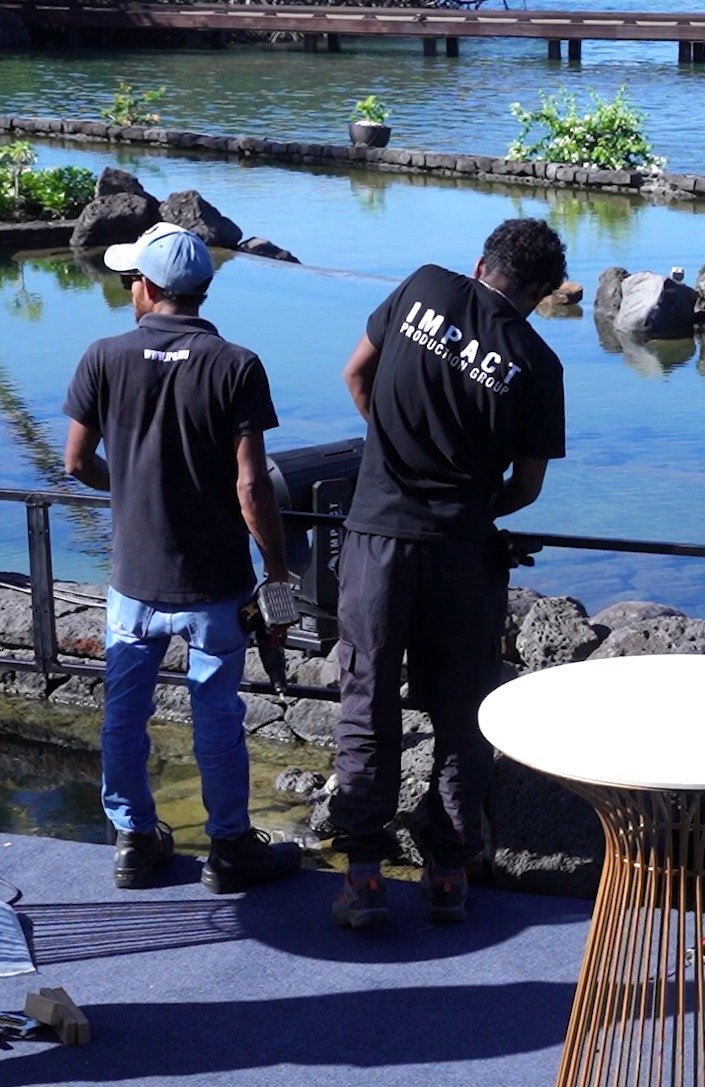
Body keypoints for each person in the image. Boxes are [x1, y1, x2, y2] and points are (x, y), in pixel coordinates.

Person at [329, 218, 567, 928]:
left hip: (377, 536)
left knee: (366, 702)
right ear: (541, 294)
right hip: (462, 550)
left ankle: (365, 879)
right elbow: (525, 488)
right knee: (462, 714)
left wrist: (391, 457)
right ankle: (448, 875)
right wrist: (467, 503)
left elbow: (355, 373)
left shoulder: (423, 285)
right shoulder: (538, 362)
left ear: (481, 263)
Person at [62, 221, 304, 894]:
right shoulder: (237, 364)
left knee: (124, 712)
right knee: (217, 716)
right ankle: (230, 846)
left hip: (132, 581)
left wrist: (134, 487)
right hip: (214, 583)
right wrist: (277, 571)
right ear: (201, 288)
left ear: (147, 287)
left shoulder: (102, 356)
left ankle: (135, 841)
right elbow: (252, 484)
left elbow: (76, 461)